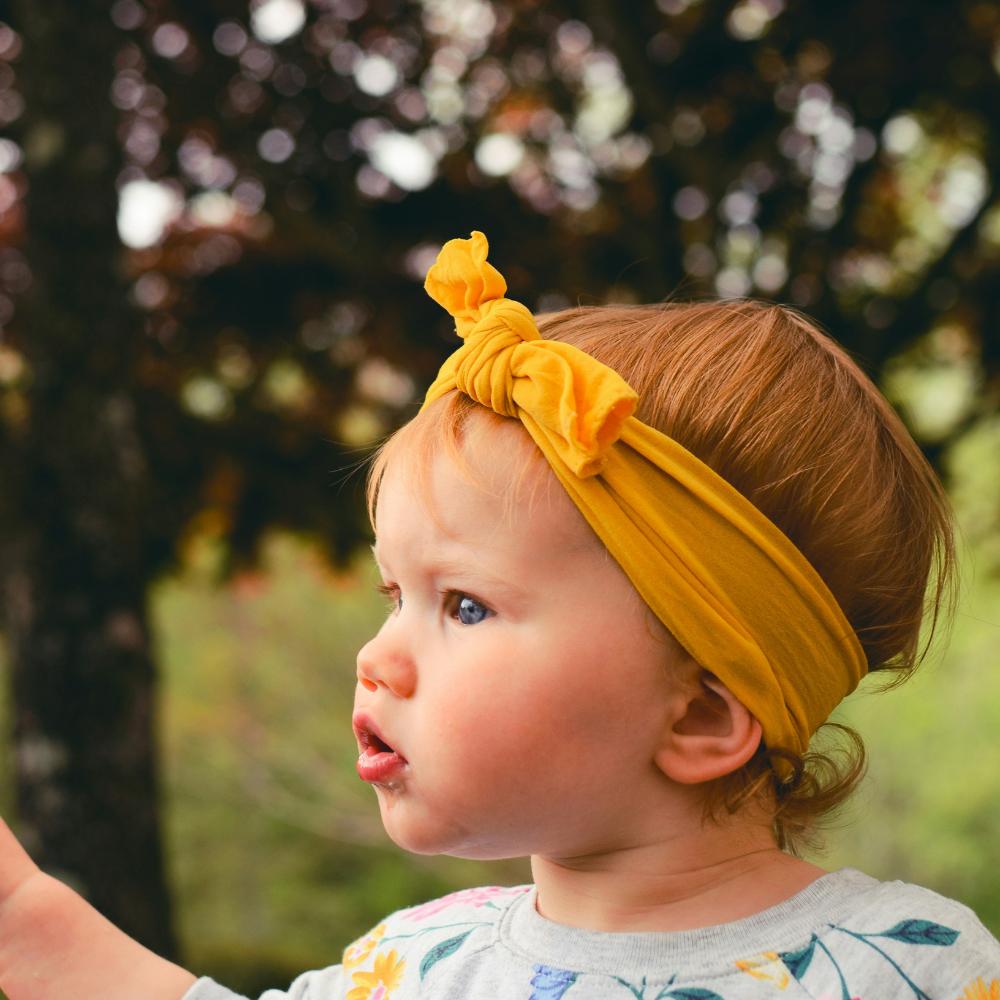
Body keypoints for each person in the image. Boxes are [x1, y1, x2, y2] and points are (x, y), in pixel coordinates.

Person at [0, 231, 997, 1000]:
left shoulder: (907, 968)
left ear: (698, 713)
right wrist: (24, 920)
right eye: (396, 596)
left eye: (465, 605)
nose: (378, 656)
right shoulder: (419, 964)